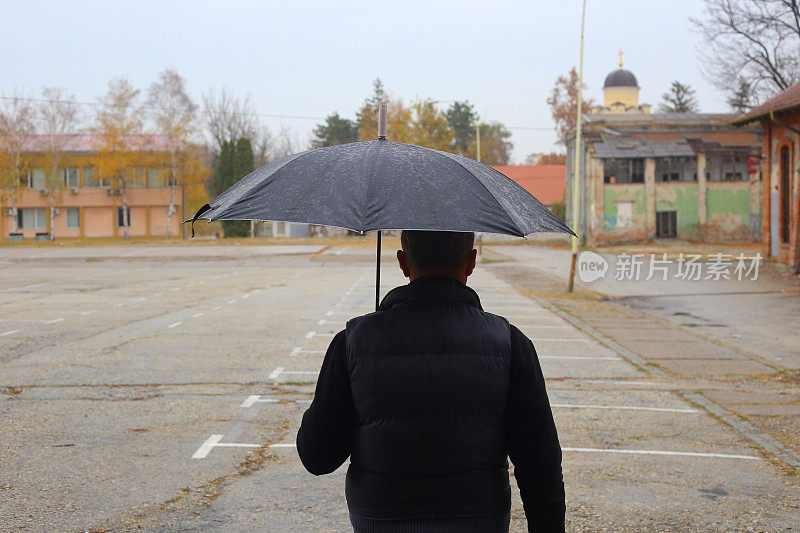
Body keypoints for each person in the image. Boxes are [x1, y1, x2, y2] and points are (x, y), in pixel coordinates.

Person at [296, 230, 565, 532]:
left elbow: (317, 457)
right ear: (471, 261)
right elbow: (541, 468)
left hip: (380, 520)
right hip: (479, 520)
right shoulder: (510, 343)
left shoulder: (352, 342)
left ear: (403, 262)